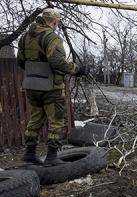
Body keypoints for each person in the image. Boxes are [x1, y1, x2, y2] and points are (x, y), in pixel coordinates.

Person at [17, 8, 89, 165]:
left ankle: (29, 154)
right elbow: (57, 62)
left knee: (35, 119)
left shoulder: (24, 37)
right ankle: (51, 157)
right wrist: (78, 70)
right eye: (57, 23)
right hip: (51, 87)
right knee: (56, 120)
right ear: (54, 21)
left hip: (31, 85)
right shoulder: (51, 37)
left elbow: (20, 62)